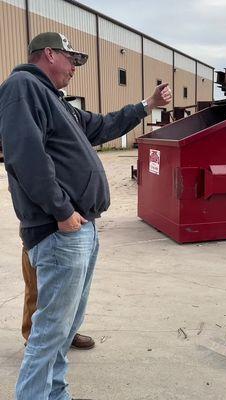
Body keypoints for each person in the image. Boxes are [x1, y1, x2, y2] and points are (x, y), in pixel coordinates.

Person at [0, 32, 172, 400]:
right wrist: (62, 212)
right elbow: (25, 157)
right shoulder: (22, 88)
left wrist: (147, 104)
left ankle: (56, 393)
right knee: (49, 333)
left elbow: (102, 125)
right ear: (49, 54)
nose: (75, 69)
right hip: (59, 231)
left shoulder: (55, 101)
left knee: (64, 329)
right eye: (72, 60)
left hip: (79, 230)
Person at [22, 246, 95, 350]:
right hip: (39, 238)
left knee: (70, 290)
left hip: (71, 240)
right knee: (37, 289)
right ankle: (33, 337)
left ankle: (65, 333)